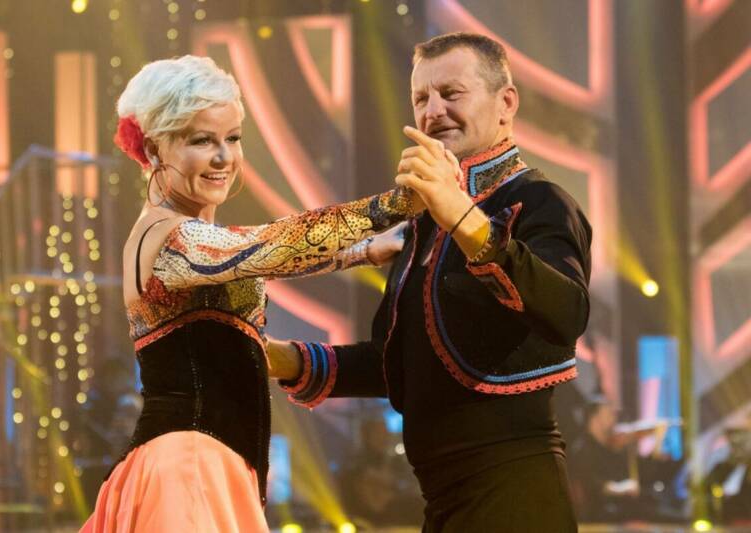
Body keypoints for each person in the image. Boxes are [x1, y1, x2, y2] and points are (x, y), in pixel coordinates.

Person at [268, 32, 592, 532]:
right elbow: (399, 362)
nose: (434, 111)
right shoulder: (425, 225)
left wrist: (461, 215)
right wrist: (276, 358)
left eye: (451, 93)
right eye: (421, 98)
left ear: (506, 104)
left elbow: (566, 311)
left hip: (515, 500)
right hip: (442, 504)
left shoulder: (540, 201)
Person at [80, 55, 416, 532]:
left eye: (233, 138)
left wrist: (362, 252)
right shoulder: (168, 235)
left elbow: (252, 256)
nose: (224, 158)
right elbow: (268, 247)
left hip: (208, 465)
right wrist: (395, 205)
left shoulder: (188, 234)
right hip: (188, 469)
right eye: (202, 140)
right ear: (154, 149)